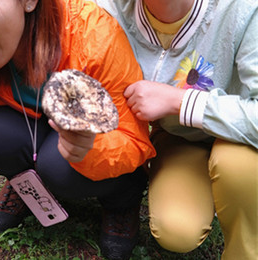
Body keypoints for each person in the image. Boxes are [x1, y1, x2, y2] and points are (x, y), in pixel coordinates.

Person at [0, 0, 156, 259]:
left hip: (87, 141)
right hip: (30, 127)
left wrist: (91, 146)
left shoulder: (93, 34)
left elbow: (134, 139)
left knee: (57, 167)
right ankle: (24, 182)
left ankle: (121, 202)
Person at [96, 0, 258, 259]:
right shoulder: (108, 8)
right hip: (179, 138)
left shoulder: (243, 9)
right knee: (177, 229)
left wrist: (178, 101)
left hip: (240, 139)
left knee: (237, 168)